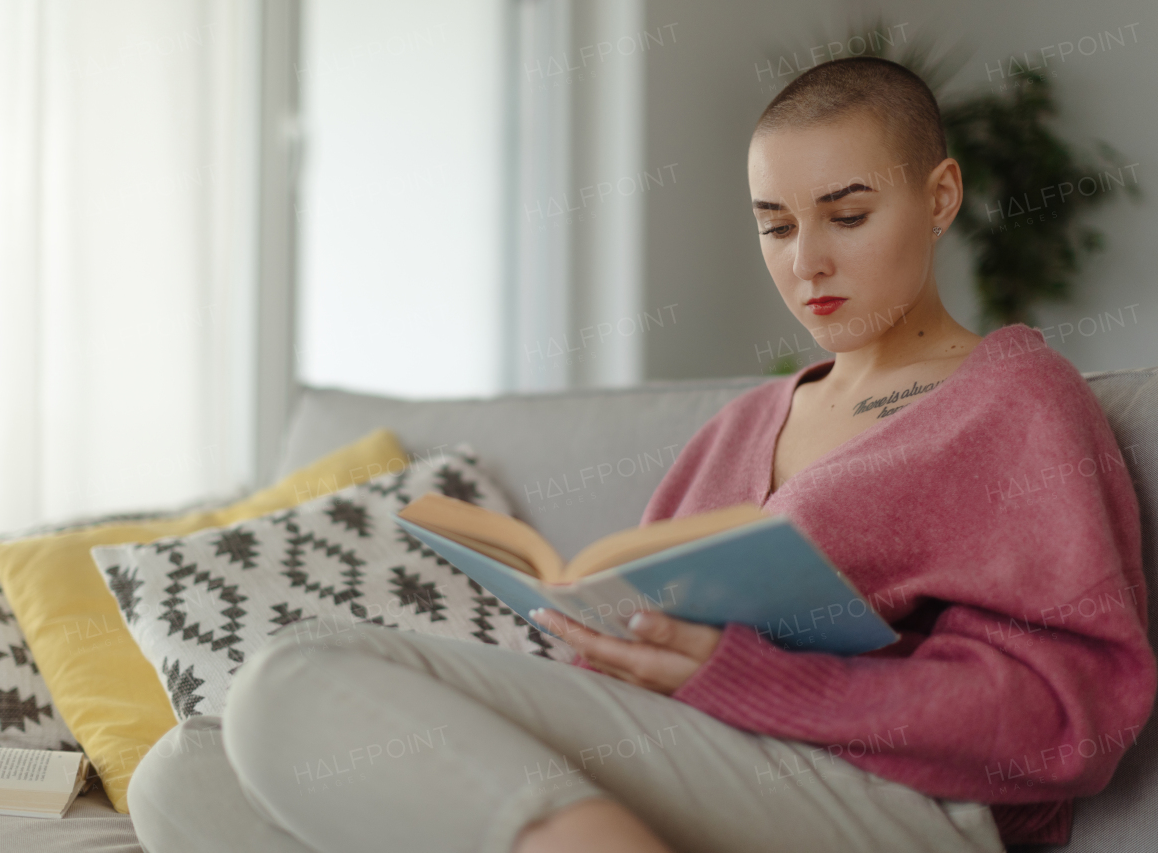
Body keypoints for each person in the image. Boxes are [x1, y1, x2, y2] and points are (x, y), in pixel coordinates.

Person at [126, 57, 1154, 853]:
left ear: (937, 197)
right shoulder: (741, 426)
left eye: (846, 215)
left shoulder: (1011, 399)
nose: (806, 262)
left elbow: (1069, 716)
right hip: (700, 762)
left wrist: (740, 675)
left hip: (900, 804)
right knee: (187, 768)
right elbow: (641, 644)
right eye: (774, 225)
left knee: (290, 679)